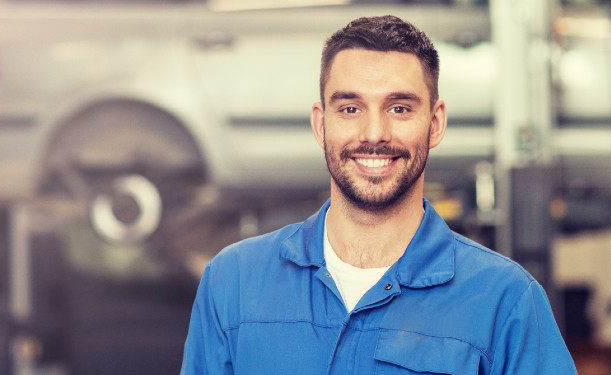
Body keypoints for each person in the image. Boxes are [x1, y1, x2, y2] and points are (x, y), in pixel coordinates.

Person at [181, 15, 577, 374]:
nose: (374, 134)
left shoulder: (504, 300)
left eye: (400, 108)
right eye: (350, 109)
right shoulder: (234, 281)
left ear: (435, 123)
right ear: (321, 124)